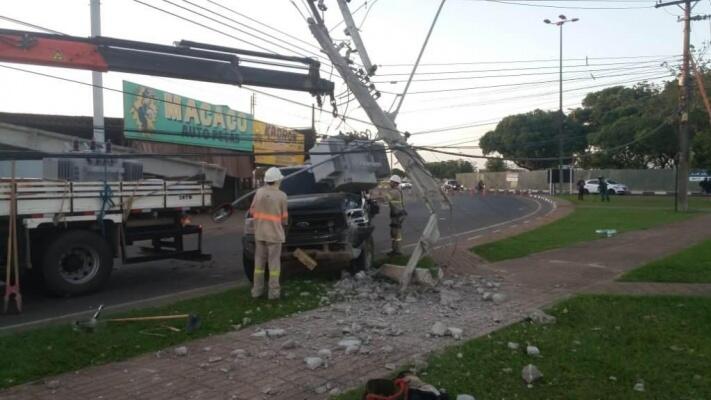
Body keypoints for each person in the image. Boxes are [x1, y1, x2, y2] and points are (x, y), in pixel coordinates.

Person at [249, 167, 288, 300]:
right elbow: (284, 219)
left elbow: (252, 212)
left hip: (260, 234)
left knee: (259, 265)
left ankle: (257, 291)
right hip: (274, 236)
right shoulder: (282, 196)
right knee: (274, 265)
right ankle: (274, 293)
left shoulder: (258, 193)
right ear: (277, 180)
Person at [386, 175, 407, 256]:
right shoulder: (397, 190)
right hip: (397, 215)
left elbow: (385, 198)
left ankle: (398, 252)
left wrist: (372, 197)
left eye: (391, 182)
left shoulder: (394, 192)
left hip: (397, 215)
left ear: (395, 183)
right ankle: (394, 250)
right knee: (394, 233)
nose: (389, 183)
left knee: (396, 234)